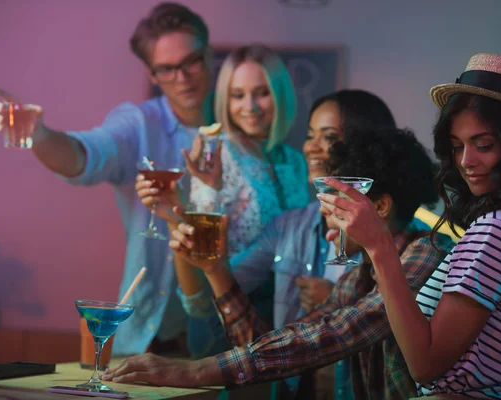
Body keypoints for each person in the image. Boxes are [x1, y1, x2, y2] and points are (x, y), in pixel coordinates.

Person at [102, 125, 457, 400]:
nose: (323, 211)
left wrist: (193, 372)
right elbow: (286, 348)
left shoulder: (425, 252)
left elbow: (334, 335)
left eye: (334, 200)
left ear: (378, 207)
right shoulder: (357, 276)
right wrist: (216, 270)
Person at [318, 53, 501, 399]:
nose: (465, 162)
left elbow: (426, 365)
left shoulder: (498, 231)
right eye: (457, 146)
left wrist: (379, 246)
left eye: (484, 145)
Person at [0, 3, 215, 357]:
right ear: (152, 75)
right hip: (148, 335)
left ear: (208, 54)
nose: (182, 77)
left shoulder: (241, 127)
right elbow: (85, 156)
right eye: (167, 69)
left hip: (223, 334)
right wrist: (41, 135)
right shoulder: (138, 124)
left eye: (191, 62)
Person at [171, 89, 400, 399]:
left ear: (366, 147)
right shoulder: (288, 226)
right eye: (309, 135)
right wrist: (179, 217)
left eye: (328, 137)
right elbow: (207, 303)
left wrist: (342, 300)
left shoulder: (400, 236)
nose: (312, 147)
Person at [135, 44, 309, 358]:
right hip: (224, 314)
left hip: (285, 313)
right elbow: (199, 250)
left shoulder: (295, 160)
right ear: (225, 101)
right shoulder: (219, 152)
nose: (250, 106)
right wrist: (202, 193)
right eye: (237, 95)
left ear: (281, 94)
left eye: (261, 92)